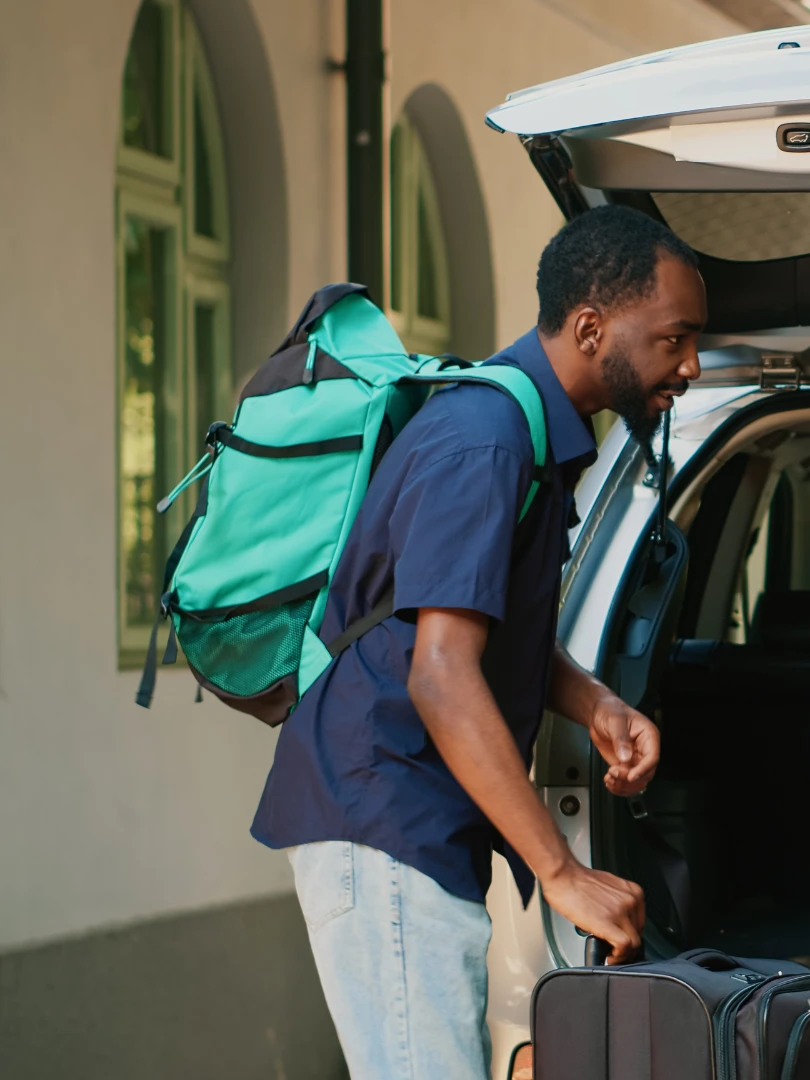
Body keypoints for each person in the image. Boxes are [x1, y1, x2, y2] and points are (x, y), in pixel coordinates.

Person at [250, 205, 707, 1079]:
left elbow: (467, 627)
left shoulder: (528, 432)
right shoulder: (485, 441)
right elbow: (441, 673)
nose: (689, 366)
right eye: (675, 339)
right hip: (383, 816)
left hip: (407, 818)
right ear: (590, 327)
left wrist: (595, 701)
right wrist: (561, 869)